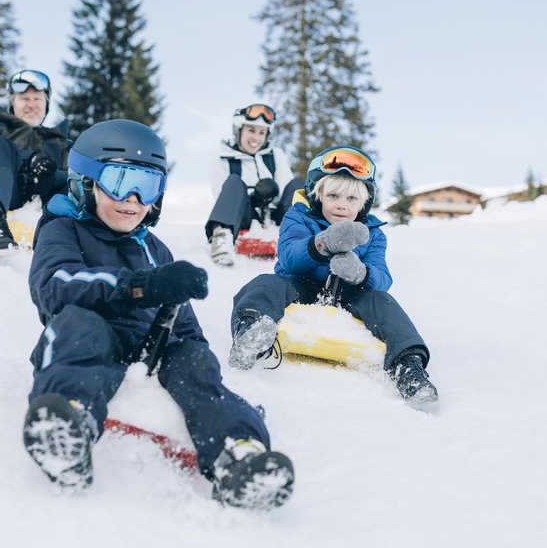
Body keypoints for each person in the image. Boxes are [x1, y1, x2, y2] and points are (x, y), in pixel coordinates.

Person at [22, 119, 294, 510]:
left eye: (146, 186)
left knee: (197, 362)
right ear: (85, 181)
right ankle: (66, 428)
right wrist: (141, 287)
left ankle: (239, 454)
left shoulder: (155, 247)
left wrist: (185, 330)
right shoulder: (62, 230)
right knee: (80, 327)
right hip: (88, 336)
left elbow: (186, 329)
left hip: (154, 347)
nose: (132, 198)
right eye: (118, 181)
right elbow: (55, 285)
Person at [227, 146, 439, 409]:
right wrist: (321, 244)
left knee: (383, 303)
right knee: (263, 285)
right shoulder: (299, 216)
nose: (341, 204)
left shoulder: (373, 233)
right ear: (318, 195)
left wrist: (361, 275)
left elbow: (382, 276)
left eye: (352, 198)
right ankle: (250, 332)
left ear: (364, 204)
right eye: (334, 195)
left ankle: (409, 368)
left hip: (350, 294)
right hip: (299, 284)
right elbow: (289, 255)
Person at [0, 69, 69, 255]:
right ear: (13, 102)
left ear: (46, 104)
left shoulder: (59, 142)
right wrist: (28, 163)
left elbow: (72, 178)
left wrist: (49, 177)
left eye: (37, 99)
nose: (31, 105)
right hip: (7, 193)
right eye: (24, 99)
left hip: (47, 208)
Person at [206, 103, 303, 266]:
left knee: (297, 185)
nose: (256, 138)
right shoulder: (221, 159)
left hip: (278, 218)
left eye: (262, 132)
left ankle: (304, 238)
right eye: (251, 130)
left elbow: (287, 189)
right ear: (239, 130)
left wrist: (267, 194)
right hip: (244, 217)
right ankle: (222, 237)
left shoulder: (275, 156)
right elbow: (222, 197)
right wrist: (254, 198)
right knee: (234, 181)